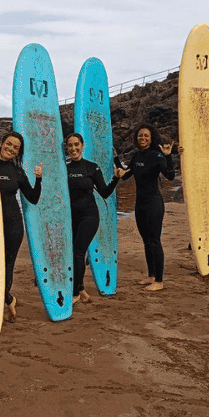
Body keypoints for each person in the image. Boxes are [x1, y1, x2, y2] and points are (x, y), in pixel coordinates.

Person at [64, 133, 123, 304]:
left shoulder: (92, 167)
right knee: (74, 254)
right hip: (71, 217)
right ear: (66, 148)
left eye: (76, 144)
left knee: (78, 252)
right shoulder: (64, 169)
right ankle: (81, 290)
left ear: (82, 146)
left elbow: (104, 192)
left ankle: (75, 293)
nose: (73, 148)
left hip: (89, 215)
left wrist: (116, 178)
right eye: (70, 145)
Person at [120, 124, 175, 291]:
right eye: (140, 136)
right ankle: (151, 276)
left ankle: (159, 281)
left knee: (154, 241)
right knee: (146, 241)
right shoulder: (136, 156)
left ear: (151, 139)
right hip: (140, 204)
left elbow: (171, 176)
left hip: (153, 204)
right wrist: (114, 160)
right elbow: (126, 175)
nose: (142, 138)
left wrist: (168, 156)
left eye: (146, 136)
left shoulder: (156, 155)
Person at [0, 132, 42, 322]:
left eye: (16, 148)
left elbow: (33, 198)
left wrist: (38, 179)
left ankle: (2, 302)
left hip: (12, 225)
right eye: (9, 144)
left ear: (18, 152)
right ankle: (9, 299)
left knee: (7, 265)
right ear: (1, 143)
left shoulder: (17, 171)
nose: (11, 148)